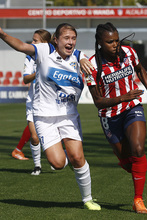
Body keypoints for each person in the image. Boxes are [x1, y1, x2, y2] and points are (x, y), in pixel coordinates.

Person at [0, 23, 100, 210]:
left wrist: (85, 60)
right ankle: (61, 160)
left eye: (73, 38)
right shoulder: (44, 50)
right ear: (56, 40)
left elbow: (86, 60)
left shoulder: (79, 57)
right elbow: (21, 46)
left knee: (78, 158)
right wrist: (2, 34)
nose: (70, 42)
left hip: (69, 116)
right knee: (58, 163)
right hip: (44, 116)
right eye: (66, 38)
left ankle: (88, 199)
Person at [84, 22, 147, 214]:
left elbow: (140, 69)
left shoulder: (129, 53)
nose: (115, 44)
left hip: (131, 108)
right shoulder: (92, 65)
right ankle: (128, 164)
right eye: (110, 41)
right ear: (100, 43)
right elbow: (98, 102)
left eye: (117, 40)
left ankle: (138, 200)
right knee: (127, 162)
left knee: (138, 149)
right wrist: (120, 98)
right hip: (109, 115)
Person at [24, 29, 52, 175]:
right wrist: (38, 72)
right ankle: (37, 166)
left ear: (45, 43)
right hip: (33, 102)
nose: (32, 43)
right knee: (34, 137)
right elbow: (25, 79)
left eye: (36, 41)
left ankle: (57, 158)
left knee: (52, 137)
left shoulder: (54, 57)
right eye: (32, 40)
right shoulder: (30, 57)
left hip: (51, 103)